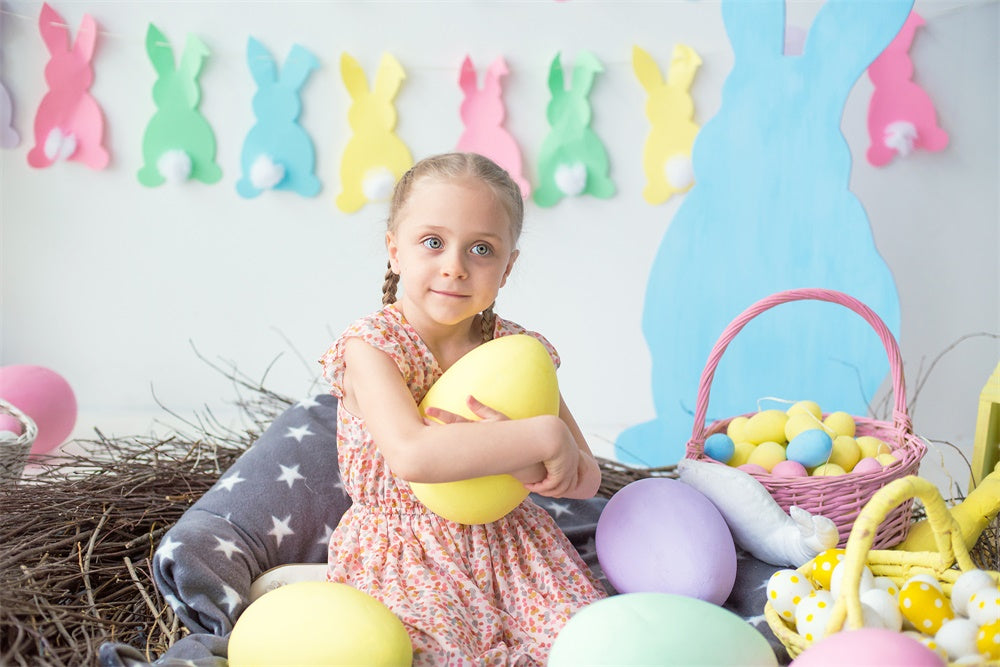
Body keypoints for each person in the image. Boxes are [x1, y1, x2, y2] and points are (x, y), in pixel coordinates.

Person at [319, 152, 607, 665]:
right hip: (405, 553)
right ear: (394, 251)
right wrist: (540, 439)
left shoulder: (516, 351)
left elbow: (586, 480)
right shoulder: (373, 347)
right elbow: (414, 456)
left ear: (508, 266)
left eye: (481, 248)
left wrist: (526, 462)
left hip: (514, 548)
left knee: (589, 648)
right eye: (433, 242)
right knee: (444, 655)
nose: (455, 265)